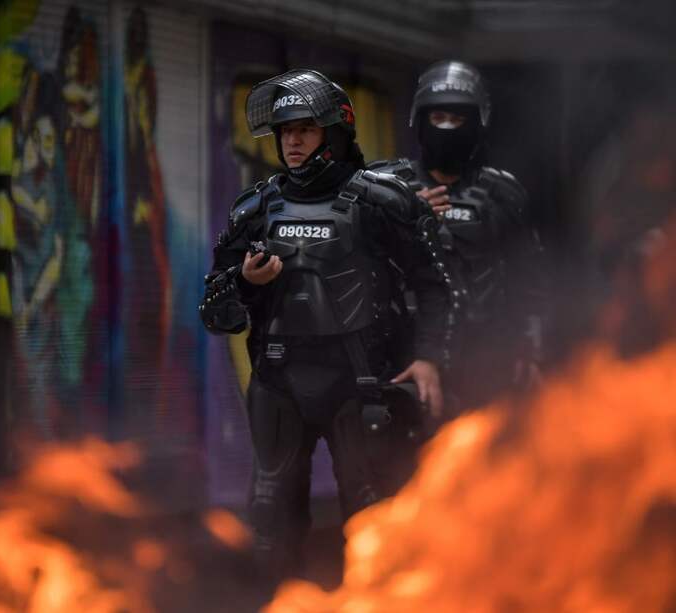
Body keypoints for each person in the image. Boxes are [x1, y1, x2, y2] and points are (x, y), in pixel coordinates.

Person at [199, 69, 452, 574]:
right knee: (271, 517)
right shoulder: (255, 208)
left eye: (305, 130)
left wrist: (427, 358)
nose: (291, 141)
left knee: (373, 516)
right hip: (277, 381)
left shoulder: (382, 200)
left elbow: (434, 286)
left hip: (359, 380)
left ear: (333, 131)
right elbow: (214, 312)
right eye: (284, 131)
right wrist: (246, 284)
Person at [370, 60, 545, 411]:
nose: (447, 128)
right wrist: (400, 213)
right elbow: (353, 256)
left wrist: (529, 349)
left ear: (477, 123)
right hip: (400, 357)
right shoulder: (384, 186)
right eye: (438, 118)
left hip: (484, 358)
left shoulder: (502, 193)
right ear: (421, 120)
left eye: (458, 119)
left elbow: (527, 278)